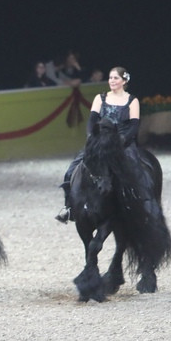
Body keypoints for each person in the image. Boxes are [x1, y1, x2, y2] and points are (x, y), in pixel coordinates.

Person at [55, 66, 141, 223]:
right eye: (110, 78)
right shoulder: (100, 98)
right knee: (71, 170)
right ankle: (69, 207)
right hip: (101, 140)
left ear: (124, 80)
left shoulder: (132, 100)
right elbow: (92, 120)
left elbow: (134, 125)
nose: (112, 81)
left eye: (115, 78)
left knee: (135, 169)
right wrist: (91, 137)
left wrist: (122, 140)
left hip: (122, 141)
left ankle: (138, 204)